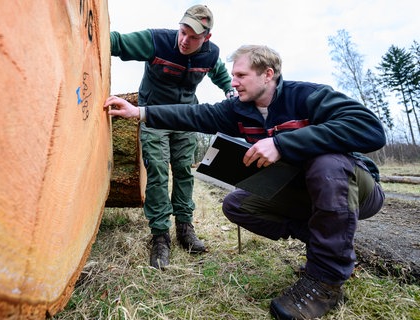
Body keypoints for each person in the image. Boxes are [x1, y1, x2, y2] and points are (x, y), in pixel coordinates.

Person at [104, 45, 386, 319]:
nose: (233, 82)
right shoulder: (239, 110)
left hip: (355, 188)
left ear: (267, 74)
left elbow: (369, 129)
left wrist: (281, 144)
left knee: (327, 163)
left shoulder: (307, 95)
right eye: (233, 75)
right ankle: (329, 246)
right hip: (306, 192)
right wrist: (140, 112)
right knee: (238, 204)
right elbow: (194, 115)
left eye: (241, 75)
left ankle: (326, 283)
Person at [110, 5, 233, 269]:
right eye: (183, 32)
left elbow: (220, 72)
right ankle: (160, 236)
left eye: (193, 37)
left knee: (183, 170)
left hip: (185, 118)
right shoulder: (156, 41)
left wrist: (229, 91)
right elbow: (117, 43)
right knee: (156, 169)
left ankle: (185, 228)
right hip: (151, 115)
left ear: (206, 39)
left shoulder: (210, 54)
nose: (184, 40)